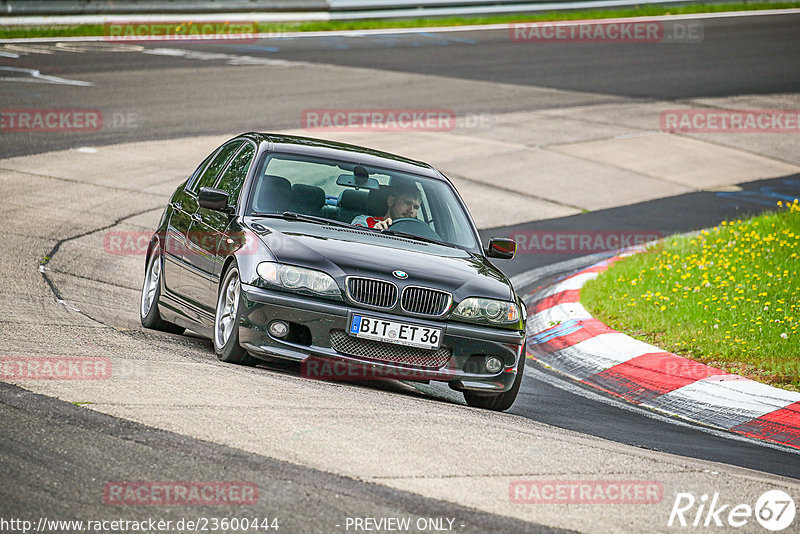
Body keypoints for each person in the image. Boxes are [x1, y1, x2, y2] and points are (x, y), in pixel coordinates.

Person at [351, 183, 421, 231]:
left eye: (416, 207)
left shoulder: (418, 232)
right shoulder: (365, 221)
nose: (411, 210)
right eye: (407, 203)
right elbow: (354, 237)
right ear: (391, 201)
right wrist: (374, 230)